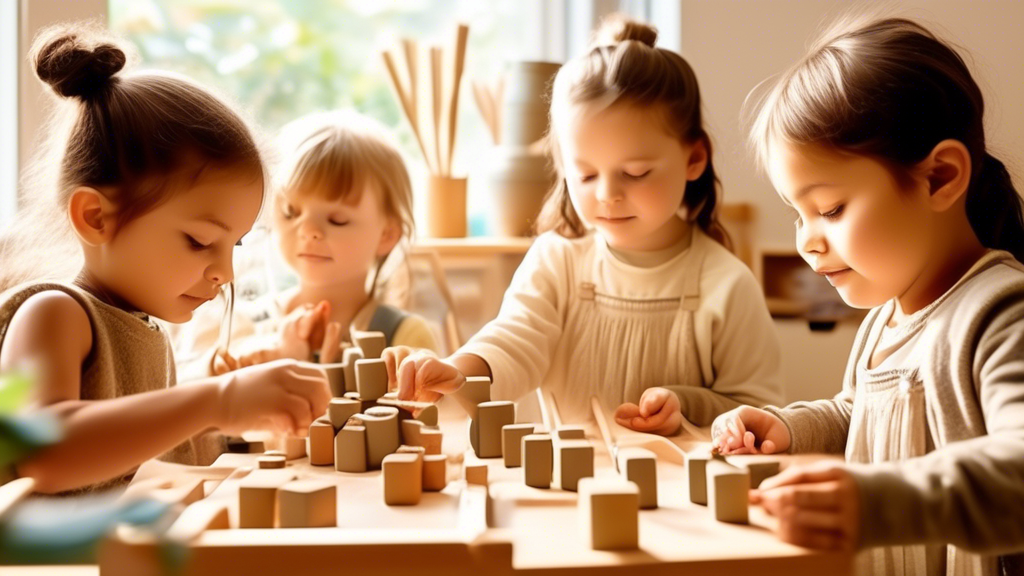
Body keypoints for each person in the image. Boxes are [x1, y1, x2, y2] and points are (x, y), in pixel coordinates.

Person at [713, 16, 1024, 575]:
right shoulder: (884, 320)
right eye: (797, 213)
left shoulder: (1001, 313)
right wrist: (787, 427)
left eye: (830, 209)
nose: (807, 241)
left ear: (939, 178)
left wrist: (876, 500)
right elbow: (858, 413)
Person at [384, 15, 783, 432]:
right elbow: (514, 341)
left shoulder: (729, 286)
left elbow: (759, 413)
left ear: (694, 158)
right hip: (565, 489)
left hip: (681, 494)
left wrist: (685, 404)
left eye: (636, 172)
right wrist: (457, 371)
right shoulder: (557, 261)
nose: (608, 193)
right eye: (586, 175)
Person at [0, 23, 330, 494]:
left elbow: (144, 460)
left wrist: (233, 420)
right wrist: (217, 401)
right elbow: (43, 454)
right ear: (95, 218)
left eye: (233, 245)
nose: (225, 273)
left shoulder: (146, 331)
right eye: (199, 241)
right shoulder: (56, 314)